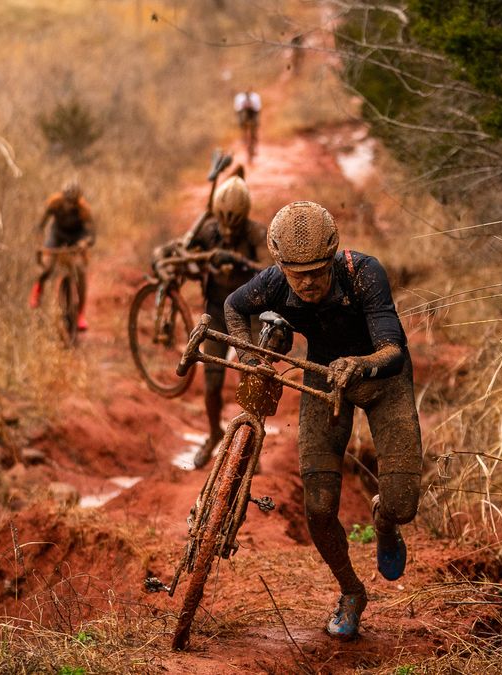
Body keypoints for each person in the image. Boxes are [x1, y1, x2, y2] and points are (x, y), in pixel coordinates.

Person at [223, 200, 422, 640]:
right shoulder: (272, 282)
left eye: (317, 270)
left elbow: (392, 350)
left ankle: (383, 521)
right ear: (280, 265)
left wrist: (359, 362)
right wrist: (249, 354)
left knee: (404, 504)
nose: (308, 282)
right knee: (318, 507)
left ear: (333, 256)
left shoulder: (364, 272)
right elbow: (233, 307)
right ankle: (351, 591)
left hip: (383, 379)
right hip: (323, 379)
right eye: (297, 274)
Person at [182, 175, 269, 468]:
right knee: (212, 382)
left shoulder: (257, 233)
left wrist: (242, 263)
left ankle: (249, 442)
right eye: (223, 222)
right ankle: (213, 433)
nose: (229, 229)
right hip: (216, 311)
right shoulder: (207, 230)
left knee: (253, 376)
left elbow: (270, 272)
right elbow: (187, 259)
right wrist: (206, 262)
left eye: (235, 224)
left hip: (249, 313)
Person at [30, 180, 95, 330]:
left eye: (73, 202)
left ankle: (80, 315)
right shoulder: (54, 204)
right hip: (57, 235)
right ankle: (38, 288)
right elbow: (41, 226)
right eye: (67, 200)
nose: (69, 205)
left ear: (78, 201)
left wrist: (85, 243)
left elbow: (92, 234)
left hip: (77, 237)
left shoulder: (84, 210)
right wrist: (40, 244)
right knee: (48, 266)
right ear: (62, 197)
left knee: (80, 270)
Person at [233, 89, 261, 159]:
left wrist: (252, 107)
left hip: (253, 114)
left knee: (253, 130)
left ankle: (253, 142)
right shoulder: (239, 97)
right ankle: (245, 139)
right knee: (244, 126)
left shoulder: (255, 97)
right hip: (244, 115)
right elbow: (237, 110)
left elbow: (258, 109)